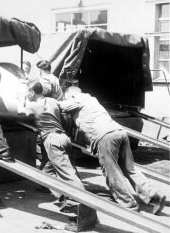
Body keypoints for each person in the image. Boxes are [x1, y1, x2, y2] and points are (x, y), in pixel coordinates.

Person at [60, 86, 166, 214]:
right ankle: (154, 196)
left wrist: (44, 100)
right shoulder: (92, 99)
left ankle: (128, 204)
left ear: (71, 95)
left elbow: (60, 106)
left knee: (112, 172)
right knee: (129, 168)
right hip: (119, 132)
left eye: (67, 98)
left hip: (105, 137)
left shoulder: (78, 99)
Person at [18, 81, 84, 191]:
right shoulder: (53, 101)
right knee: (51, 171)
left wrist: (21, 99)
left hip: (53, 141)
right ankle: (61, 194)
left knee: (67, 175)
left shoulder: (33, 105)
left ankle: (84, 202)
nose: (26, 95)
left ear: (32, 92)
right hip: (64, 138)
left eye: (26, 93)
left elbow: (21, 112)